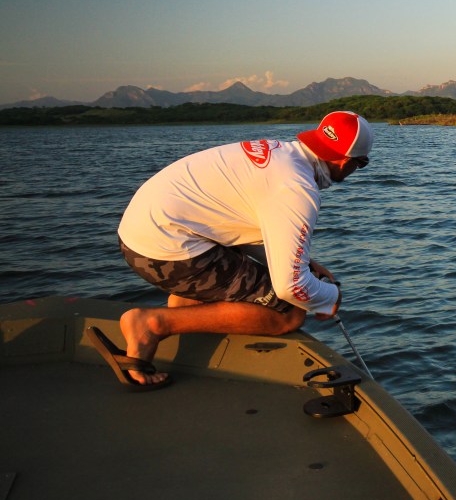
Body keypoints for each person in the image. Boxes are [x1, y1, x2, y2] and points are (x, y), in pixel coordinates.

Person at [90, 111, 373, 390]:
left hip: (137, 234)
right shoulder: (296, 188)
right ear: (347, 161)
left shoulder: (280, 155)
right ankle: (151, 325)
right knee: (288, 312)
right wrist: (329, 297)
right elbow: (290, 286)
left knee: (241, 272)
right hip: (164, 250)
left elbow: (250, 231)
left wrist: (306, 263)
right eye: (361, 164)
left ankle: (182, 325)